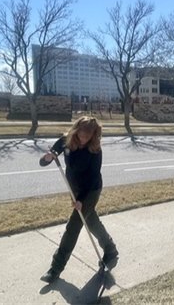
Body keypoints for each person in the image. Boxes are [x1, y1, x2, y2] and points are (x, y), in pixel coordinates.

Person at [39, 116, 118, 283]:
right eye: (81, 134)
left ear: (93, 135)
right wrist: (48, 157)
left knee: (73, 226)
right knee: (91, 221)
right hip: (74, 188)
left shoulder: (95, 150)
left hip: (90, 191)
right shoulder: (66, 141)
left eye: (87, 136)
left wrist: (82, 200)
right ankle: (110, 249)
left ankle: (55, 268)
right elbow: (50, 156)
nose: (83, 139)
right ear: (76, 130)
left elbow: (93, 177)